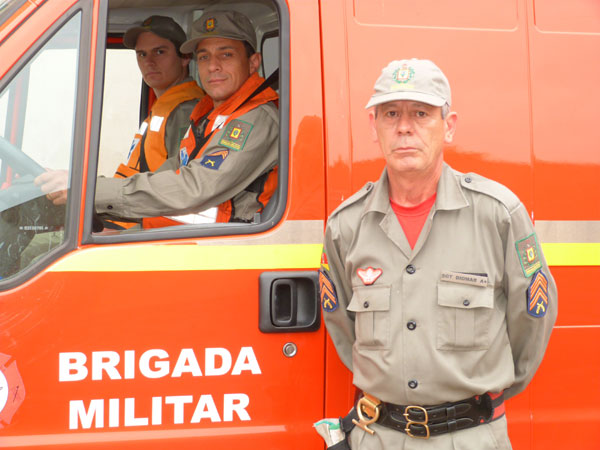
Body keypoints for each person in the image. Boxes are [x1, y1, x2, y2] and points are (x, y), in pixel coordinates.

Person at [319, 59, 557, 449]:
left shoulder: (497, 213)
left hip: (472, 437)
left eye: (422, 114)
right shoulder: (346, 225)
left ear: (449, 126)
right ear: (373, 127)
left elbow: (532, 319)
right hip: (378, 437)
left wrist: (478, 399)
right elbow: (342, 328)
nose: (404, 127)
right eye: (390, 113)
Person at [37, 9, 279, 226]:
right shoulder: (209, 116)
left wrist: (88, 191)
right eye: (204, 57)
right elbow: (168, 176)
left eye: (225, 55)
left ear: (253, 63)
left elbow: (194, 187)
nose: (212, 66)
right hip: (188, 242)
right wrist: (88, 192)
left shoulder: (255, 119)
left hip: (222, 252)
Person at [114, 15, 204, 180]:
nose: (149, 62)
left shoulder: (186, 110)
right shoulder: (164, 105)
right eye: (142, 54)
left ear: (185, 57)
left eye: (159, 52)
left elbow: (180, 184)